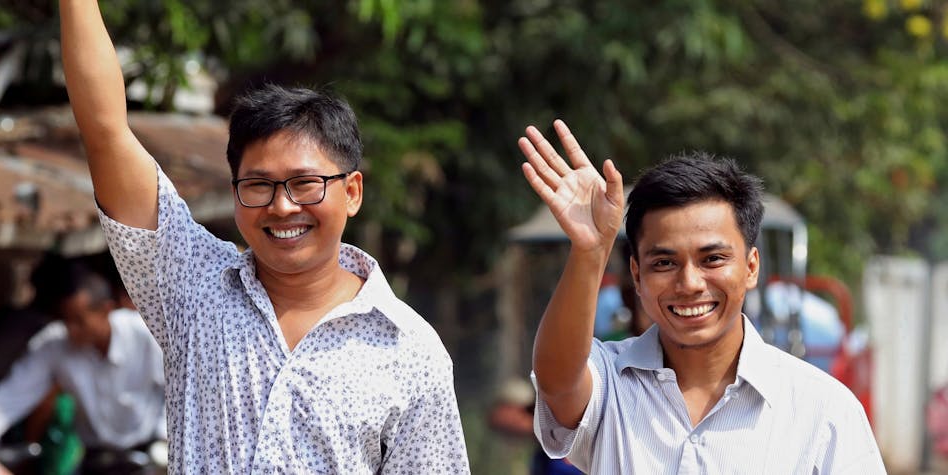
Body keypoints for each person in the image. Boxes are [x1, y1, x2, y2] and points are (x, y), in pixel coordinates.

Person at [58, 1, 469, 473]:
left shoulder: (410, 351)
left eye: (305, 183)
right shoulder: (192, 285)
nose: (282, 206)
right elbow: (106, 130)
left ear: (352, 192)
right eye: (258, 185)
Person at [517, 120, 884, 473]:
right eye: (664, 262)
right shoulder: (610, 382)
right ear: (637, 276)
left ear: (751, 267)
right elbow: (558, 383)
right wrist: (590, 250)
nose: (690, 282)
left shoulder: (823, 410)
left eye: (712, 259)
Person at [0, 271, 166, 473]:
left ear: (106, 310)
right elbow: (12, 394)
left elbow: (182, 389)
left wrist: (165, 439)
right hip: (93, 457)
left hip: (148, 453)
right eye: (67, 320)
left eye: (79, 321)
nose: (72, 329)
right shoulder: (55, 344)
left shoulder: (146, 334)